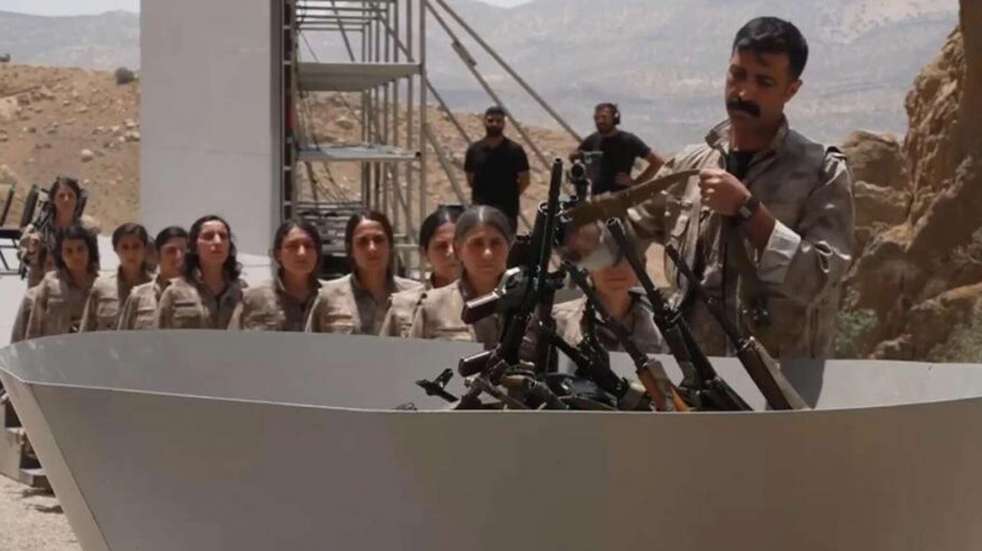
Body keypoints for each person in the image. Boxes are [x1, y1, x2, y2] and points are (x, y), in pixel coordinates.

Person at [569, 17, 854, 359]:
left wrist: (750, 212)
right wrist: (576, 238)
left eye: (764, 82)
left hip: (779, 382)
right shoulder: (687, 167)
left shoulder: (821, 171)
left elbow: (820, 280)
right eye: (737, 75)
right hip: (693, 376)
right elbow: (622, 240)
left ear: (791, 89)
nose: (744, 93)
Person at [409, 206, 512, 347]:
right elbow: (413, 356)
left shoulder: (530, 305)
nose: (487, 253)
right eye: (477, 243)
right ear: (458, 250)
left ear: (509, 247)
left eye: (496, 243)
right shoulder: (433, 306)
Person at [306, 211, 422, 335]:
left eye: (378, 240)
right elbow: (310, 343)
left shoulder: (416, 296)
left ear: (390, 245)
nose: (372, 248)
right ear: (351, 250)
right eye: (362, 241)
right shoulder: (328, 297)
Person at [554, 255, 665, 356]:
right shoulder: (557, 324)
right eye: (604, 258)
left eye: (624, 258)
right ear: (588, 267)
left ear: (640, 266)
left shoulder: (666, 333)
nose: (615, 268)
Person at [379, 206, 462, 338]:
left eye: (458, 245)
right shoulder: (402, 306)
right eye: (441, 246)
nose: (451, 252)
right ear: (424, 253)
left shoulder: (487, 305)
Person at [155, 215, 247, 329]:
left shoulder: (242, 292)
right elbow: (159, 336)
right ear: (194, 246)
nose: (218, 241)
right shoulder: (175, 292)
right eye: (208, 236)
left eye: (223, 236)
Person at [229, 221, 322, 331]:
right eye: (292, 246)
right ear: (278, 254)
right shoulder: (252, 298)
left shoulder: (330, 297)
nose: (302, 253)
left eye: (308, 246)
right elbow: (231, 338)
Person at [18, 176, 100, 288]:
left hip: (76, 288)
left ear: (77, 200)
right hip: (41, 286)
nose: (66, 199)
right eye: (61, 196)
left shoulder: (86, 229)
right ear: (53, 200)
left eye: (71, 195)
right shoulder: (38, 228)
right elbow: (22, 255)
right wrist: (32, 250)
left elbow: (94, 265)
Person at [571, 103, 664, 196]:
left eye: (604, 117)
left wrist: (636, 183)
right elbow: (574, 156)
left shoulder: (628, 140)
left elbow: (657, 162)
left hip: (621, 198)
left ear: (614, 118)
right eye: (596, 118)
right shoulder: (594, 139)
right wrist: (582, 161)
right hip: (597, 199)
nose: (599, 121)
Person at [24, 224, 99, 338]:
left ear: (90, 250)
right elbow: (34, 328)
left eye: (80, 249)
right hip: (55, 347)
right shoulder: (49, 284)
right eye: (69, 251)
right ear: (61, 255)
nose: (76, 256)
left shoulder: (102, 284)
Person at [464, 106, 531, 230]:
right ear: (484, 121)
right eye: (491, 120)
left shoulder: (515, 150)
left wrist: (510, 194)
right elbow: (470, 179)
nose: (494, 124)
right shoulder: (474, 150)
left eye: (498, 121)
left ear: (504, 123)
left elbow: (525, 180)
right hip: (481, 210)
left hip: (507, 211)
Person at [79, 223, 152, 332]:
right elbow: (86, 329)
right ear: (115, 249)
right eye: (125, 247)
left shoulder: (155, 287)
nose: (131, 253)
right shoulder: (102, 286)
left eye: (136, 246)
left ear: (145, 249)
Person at [117, 226, 188, 330]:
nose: (179, 256)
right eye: (171, 251)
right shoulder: (138, 296)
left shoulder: (199, 295)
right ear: (158, 255)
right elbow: (122, 336)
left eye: (184, 250)